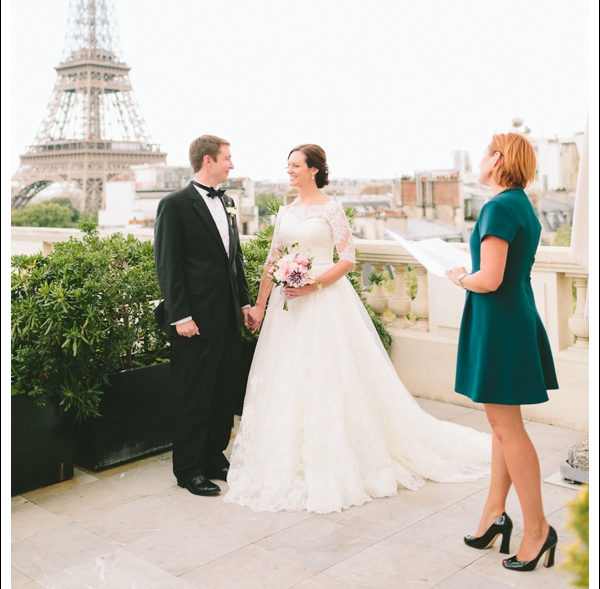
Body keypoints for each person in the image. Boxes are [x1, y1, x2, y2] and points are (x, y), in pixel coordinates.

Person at [224, 144, 491, 515]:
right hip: (289, 308)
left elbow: (348, 259)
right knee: (286, 378)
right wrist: (260, 303)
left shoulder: (331, 209)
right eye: (288, 166)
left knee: (331, 377)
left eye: (296, 165)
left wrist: (313, 284)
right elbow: (273, 259)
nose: (290, 171)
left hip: (324, 300)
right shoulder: (285, 211)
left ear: (314, 170)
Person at [446, 132, 559, 572]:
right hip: (513, 315)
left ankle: (537, 530)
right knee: (500, 422)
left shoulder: (497, 207)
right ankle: (495, 514)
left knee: (507, 426)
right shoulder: (521, 206)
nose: (480, 160)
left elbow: (488, 279)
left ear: (497, 159)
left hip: (500, 319)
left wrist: (457, 275)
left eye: (484, 154)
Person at [154, 135, 251, 496]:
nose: (232, 164)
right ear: (208, 161)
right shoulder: (174, 204)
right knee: (193, 396)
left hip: (226, 317)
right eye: (228, 158)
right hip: (193, 321)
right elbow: (168, 265)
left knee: (223, 393)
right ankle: (188, 469)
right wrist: (180, 316)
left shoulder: (227, 202)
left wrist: (243, 304)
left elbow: (234, 262)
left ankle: (214, 457)